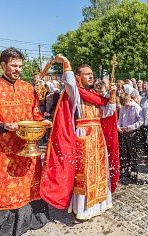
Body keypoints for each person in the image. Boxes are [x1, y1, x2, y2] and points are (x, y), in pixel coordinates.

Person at [0, 47, 50, 235]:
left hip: (26, 147)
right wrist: (3, 125)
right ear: (3, 65)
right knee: (1, 183)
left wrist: (42, 122)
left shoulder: (27, 88)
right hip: (2, 148)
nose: (18, 69)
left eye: (20, 66)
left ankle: (27, 221)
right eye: (14, 65)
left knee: (27, 181)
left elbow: (34, 113)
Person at [40, 55, 119, 220]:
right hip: (83, 135)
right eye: (87, 74)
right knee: (84, 172)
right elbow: (69, 83)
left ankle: (101, 203)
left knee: (99, 170)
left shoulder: (96, 96)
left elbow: (108, 112)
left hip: (98, 136)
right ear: (78, 77)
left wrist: (112, 95)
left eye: (92, 74)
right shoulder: (76, 94)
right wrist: (66, 62)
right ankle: (83, 208)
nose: (91, 76)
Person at [118, 93, 144, 182]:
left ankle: (134, 172)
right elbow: (120, 119)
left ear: (129, 99)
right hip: (124, 132)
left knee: (133, 154)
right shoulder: (122, 108)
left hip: (133, 133)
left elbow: (141, 121)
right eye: (123, 104)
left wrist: (130, 127)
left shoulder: (136, 107)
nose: (125, 105)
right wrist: (118, 126)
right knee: (126, 153)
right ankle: (127, 170)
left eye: (126, 103)